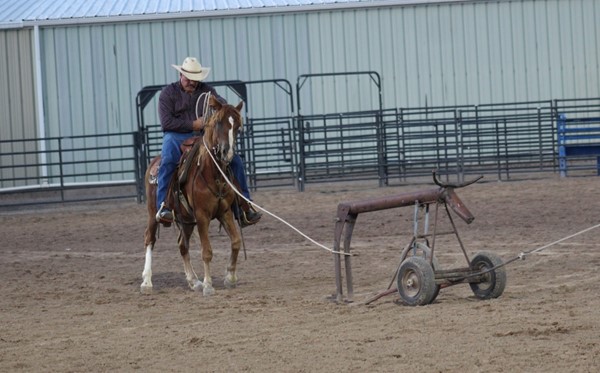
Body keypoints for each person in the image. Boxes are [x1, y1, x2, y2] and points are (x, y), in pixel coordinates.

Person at [155, 56, 261, 226]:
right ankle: (164, 205)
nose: (191, 82)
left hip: (202, 136)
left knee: (235, 160)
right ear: (181, 75)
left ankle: (244, 206)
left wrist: (220, 108)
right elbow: (166, 122)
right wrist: (193, 123)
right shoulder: (168, 93)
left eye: (195, 79)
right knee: (168, 160)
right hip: (175, 135)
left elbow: (222, 104)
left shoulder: (207, 91)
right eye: (188, 78)